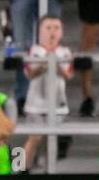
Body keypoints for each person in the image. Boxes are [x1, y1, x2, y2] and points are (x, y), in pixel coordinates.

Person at [21, 15, 74, 170]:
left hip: (58, 104)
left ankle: (49, 170)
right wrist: (45, 62)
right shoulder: (34, 51)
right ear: (39, 32)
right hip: (35, 104)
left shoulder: (65, 52)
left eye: (56, 28)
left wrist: (55, 63)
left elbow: (68, 75)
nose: (52, 32)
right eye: (48, 28)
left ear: (61, 32)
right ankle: (22, 170)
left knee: (53, 139)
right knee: (34, 137)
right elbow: (30, 73)